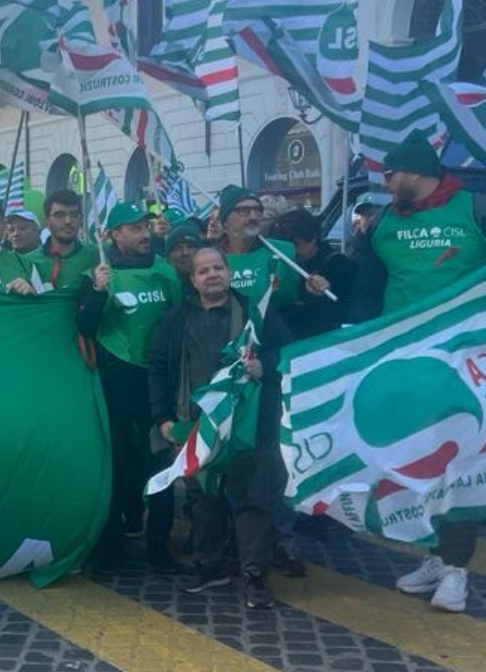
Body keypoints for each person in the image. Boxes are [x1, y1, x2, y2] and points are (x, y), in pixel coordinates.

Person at [357, 134, 486, 613]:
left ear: (414, 173)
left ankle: (458, 568)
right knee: (420, 461)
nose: (386, 183)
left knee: (461, 459)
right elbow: (365, 291)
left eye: (390, 175)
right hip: (405, 366)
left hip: (467, 363)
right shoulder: (381, 224)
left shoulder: (478, 211)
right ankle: (435, 555)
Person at [147, 246, 292, 608]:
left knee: (253, 499)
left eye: (217, 268)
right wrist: (163, 418)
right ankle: (209, 566)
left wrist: (267, 367)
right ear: (193, 280)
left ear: (228, 273)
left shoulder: (255, 314)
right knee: (202, 499)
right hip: (198, 425)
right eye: (203, 270)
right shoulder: (176, 318)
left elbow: (289, 353)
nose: (212, 274)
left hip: (249, 425)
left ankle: (255, 574)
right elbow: (158, 365)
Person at [75, 201, 182, 569]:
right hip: (116, 382)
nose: (143, 234)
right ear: (114, 235)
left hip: (156, 387)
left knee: (161, 466)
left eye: (145, 227)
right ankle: (112, 545)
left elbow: (181, 325)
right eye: (134, 228)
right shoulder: (102, 273)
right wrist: (97, 292)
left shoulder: (166, 272)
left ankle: (159, 547)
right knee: (117, 464)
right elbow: (85, 327)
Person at [211, 187, 302, 308]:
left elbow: (297, 300)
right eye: (244, 211)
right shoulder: (209, 258)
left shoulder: (284, 252)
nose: (253, 217)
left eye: (257, 210)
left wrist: (313, 291)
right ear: (225, 222)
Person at [270, 209, 354, 340]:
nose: (291, 250)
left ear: (312, 238)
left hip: (323, 338)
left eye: (295, 244)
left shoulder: (339, 265)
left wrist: (314, 296)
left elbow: (343, 310)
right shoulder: (281, 264)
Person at [28, 190, 99, 293]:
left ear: (81, 220)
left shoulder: (95, 256)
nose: (68, 221)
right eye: (59, 215)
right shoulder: (30, 262)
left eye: (74, 215)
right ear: (46, 222)